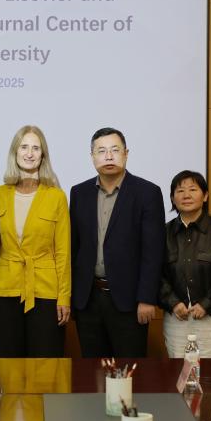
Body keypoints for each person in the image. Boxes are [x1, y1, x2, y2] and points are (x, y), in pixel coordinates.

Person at [70, 127, 165, 357]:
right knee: (92, 370)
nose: (108, 156)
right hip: (88, 299)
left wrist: (146, 298)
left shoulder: (147, 193)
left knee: (129, 370)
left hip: (129, 301)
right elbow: (74, 247)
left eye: (115, 150)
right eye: (101, 151)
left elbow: (153, 252)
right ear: (92, 156)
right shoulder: (79, 193)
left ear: (126, 154)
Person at [0, 126, 71, 357]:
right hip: (5, 289)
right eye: (24, 147)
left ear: (43, 155)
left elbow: (63, 251)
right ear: (15, 152)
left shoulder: (56, 196)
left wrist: (64, 296)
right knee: (7, 361)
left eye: (36, 148)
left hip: (46, 291)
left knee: (45, 361)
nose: (30, 153)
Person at [159, 170, 211, 358]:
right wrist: (173, 302)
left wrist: (207, 303)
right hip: (176, 317)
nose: (186, 195)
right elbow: (155, 273)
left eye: (193, 189)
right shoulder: (163, 233)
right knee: (179, 370)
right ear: (172, 198)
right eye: (180, 191)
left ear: (205, 196)